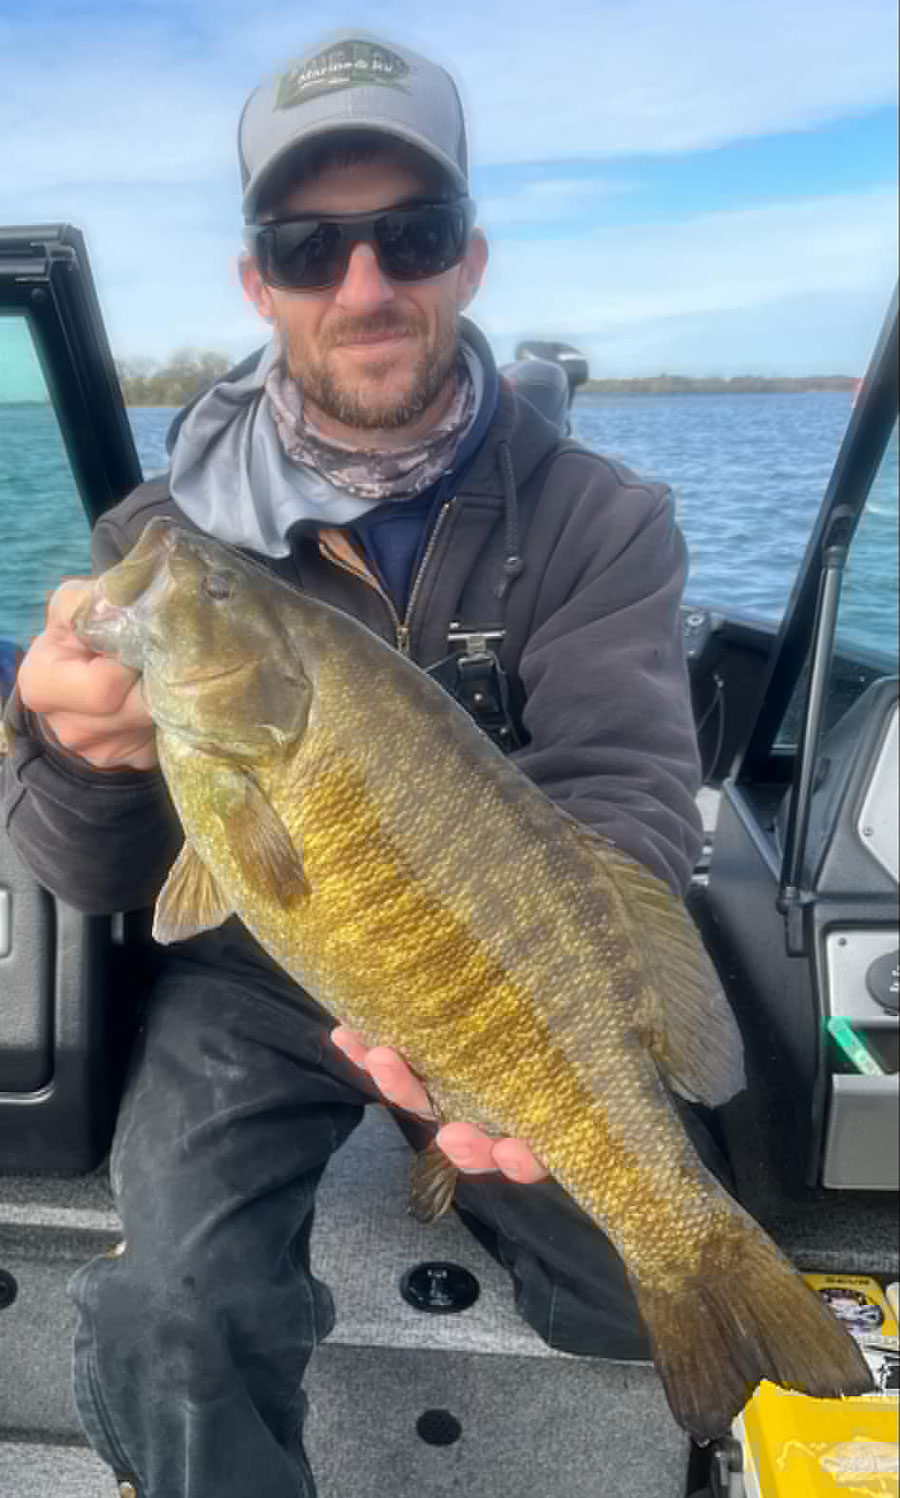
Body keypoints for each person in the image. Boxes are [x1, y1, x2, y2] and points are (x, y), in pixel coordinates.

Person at [0, 31, 724, 1498]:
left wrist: (502, 1046)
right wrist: (65, 751)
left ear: (468, 257)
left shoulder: (603, 517)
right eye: (309, 246)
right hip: (262, 962)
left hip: (502, 965)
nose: (367, 283)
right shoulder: (166, 538)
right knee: (173, 1314)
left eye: (413, 233)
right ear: (255, 282)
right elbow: (106, 872)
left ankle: (514, 1192)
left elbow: (634, 802)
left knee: (629, 1288)